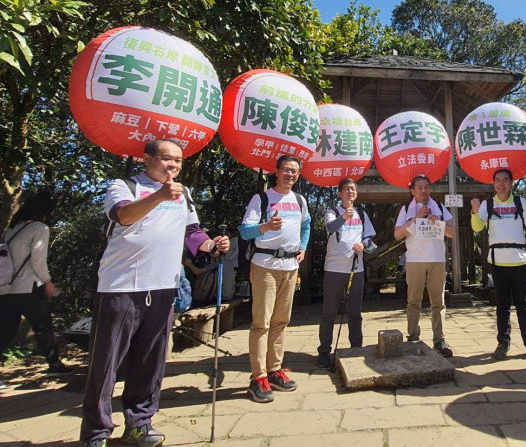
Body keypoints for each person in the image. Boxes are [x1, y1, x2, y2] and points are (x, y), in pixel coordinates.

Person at [81, 139, 229, 447]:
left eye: (178, 161)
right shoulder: (125, 186)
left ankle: (139, 423)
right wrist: (160, 196)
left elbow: (192, 233)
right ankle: (97, 433)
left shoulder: (184, 194)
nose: (173, 165)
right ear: (147, 159)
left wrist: (211, 244)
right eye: (166, 159)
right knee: (106, 364)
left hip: (163, 286)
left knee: (151, 361)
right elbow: (123, 216)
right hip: (120, 287)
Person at [240, 155, 310, 403]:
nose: (290, 174)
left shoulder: (300, 200)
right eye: (286, 170)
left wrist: (302, 246)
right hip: (264, 266)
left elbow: (307, 225)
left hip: (290, 266)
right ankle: (257, 377)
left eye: (294, 171)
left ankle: (275, 370)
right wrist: (266, 226)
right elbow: (244, 231)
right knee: (262, 323)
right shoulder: (262, 199)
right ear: (276, 172)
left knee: (281, 320)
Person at [470, 168, 526, 362]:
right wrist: (475, 211)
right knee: (502, 306)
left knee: (523, 305)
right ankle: (503, 343)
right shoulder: (488, 204)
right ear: (493, 183)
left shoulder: (521, 203)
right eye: (498, 180)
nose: (501, 184)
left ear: (511, 183)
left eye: (505, 180)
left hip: (519, 260)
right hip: (497, 262)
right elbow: (477, 227)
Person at [0, 191, 70, 377]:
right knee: (43, 326)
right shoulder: (40, 228)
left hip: (7, 288)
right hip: (29, 287)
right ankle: (54, 364)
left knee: (6, 331)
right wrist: (47, 282)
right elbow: (38, 260)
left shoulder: (11, 229)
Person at [394, 174, 455, 357]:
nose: (423, 190)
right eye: (419, 187)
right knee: (414, 302)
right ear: (412, 191)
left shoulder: (441, 208)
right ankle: (413, 337)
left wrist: (440, 222)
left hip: (437, 260)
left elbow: (452, 233)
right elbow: (397, 234)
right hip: (414, 261)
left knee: (439, 302)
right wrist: (416, 218)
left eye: (426, 186)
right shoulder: (406, 209)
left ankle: (439, 339)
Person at [317, 178, 376, 368]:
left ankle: (356, 348)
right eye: (346, 189)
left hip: (356, 270)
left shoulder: (363, 215)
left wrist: (363, 245)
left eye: (353, 189)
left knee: (355, 312)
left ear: (356, 193)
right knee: (329, 312)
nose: (350, 191)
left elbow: (371, 243)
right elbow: (329, 228)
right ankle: (324, 351)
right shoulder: (332, 213)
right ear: (340, 193)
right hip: (334, 269)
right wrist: (344, 217)